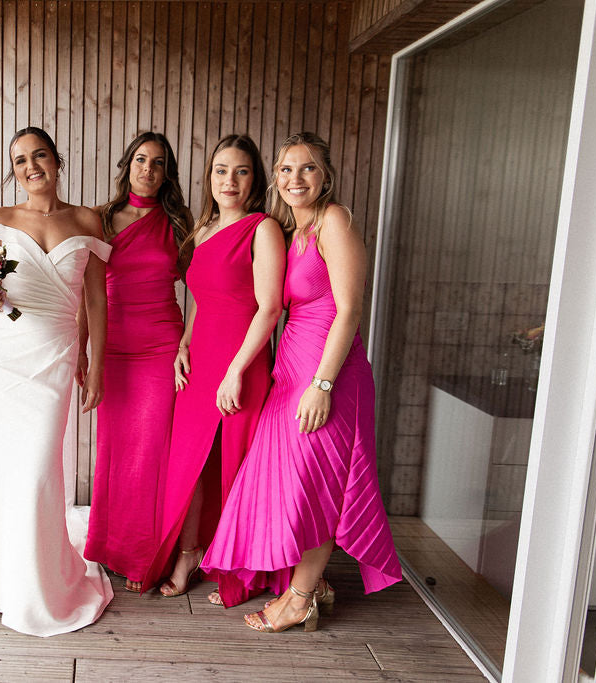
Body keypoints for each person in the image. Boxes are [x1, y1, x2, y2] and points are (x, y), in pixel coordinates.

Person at [201, 132, 402, 633]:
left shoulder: (334, 220)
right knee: (294, 480)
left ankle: (301, 597)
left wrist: (324, 384)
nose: (295, 179)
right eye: (287, 169)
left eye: (307, 168)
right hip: (292, 366)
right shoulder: (295, 231)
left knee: (320, 482)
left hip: (328, 372)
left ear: (325, 176)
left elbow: (350, 310)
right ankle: (316, 584)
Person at [0, 126, 114, 636]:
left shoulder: (87, 219)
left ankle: (42, 581)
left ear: (57, 160)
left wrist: (94, 360)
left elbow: (96, 299)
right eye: (20, 160)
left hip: (55, 356)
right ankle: (2, 576)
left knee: (38, 470)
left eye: (39, 155)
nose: (31, 167)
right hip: (2, 357)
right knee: (3, 467)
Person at [141, 135, 286, 609]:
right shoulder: (202, 231)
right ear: (209, 177)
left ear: (255, 180)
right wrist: (183, 343)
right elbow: (203, 302)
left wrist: (235, 371)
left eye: (241, 171)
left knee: (236, 466)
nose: (230, 180)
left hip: (242, 362)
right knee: (192, 467)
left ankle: (237, 562)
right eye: (221, 170)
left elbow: (268, 309)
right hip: (201, 360)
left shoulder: (262, 229)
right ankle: (188, 553)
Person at [83, 132, 192, 593]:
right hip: (114, 349)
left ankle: (146, 556)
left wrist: (189, 340)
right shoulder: (102, 220)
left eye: (158, 163)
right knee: (114, 452)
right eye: (141, 160)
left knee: (150, 454)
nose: (148, 169)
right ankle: (111, 549)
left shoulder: (179, 222)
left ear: (167, 173)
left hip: (160, 348)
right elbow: (85, 293)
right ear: (127, 165)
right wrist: (86, 352)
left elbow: (204, 288)